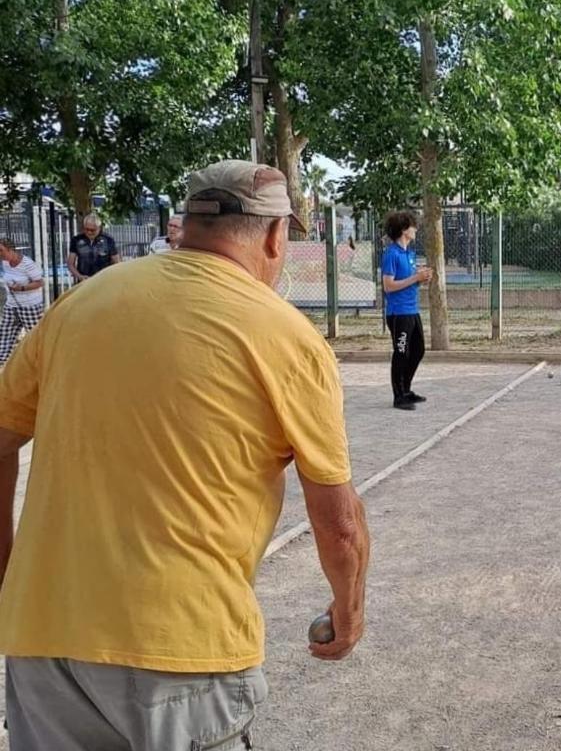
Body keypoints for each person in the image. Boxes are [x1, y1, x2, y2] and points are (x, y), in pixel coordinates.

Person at [0, 160, 370, 750]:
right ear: (276, 235)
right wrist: (348, 613)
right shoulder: (285, 337)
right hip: (182, 647)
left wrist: (10, 577)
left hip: (41, 641)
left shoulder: (77, 307)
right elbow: (340, 522)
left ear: (188, 224)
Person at [381, 210, 432, 410]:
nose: (415, 229)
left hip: (412, 310)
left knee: (418, 350)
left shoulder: (409, 254)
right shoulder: (391, 254)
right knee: (401, 352)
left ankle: (406, 390)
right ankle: (398, 396)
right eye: (412, 226)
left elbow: (409, 282)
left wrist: (422, 279)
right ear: (404, 230)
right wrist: (415, 278)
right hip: (398, 313)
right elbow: (388, 286)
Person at [0, 240, 45, 365]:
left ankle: (41, 359)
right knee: (5, 332)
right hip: (12, 304)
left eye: (1, 250)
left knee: (34, 334)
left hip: (30, 306)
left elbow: (40, 282)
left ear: (10, 250)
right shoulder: (5, 262)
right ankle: (2, 360)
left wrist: (21, 288)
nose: (0, 254)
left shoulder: (27, 264)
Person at [67, 212, 121, 281]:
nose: (89, 232)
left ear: (99, 228)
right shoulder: (76, 240)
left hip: (103, 280)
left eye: (92, 230)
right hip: (84, 281)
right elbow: (70, 263)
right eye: (86, 229)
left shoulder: (108, 240)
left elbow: (117, 262)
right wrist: (80, 276)